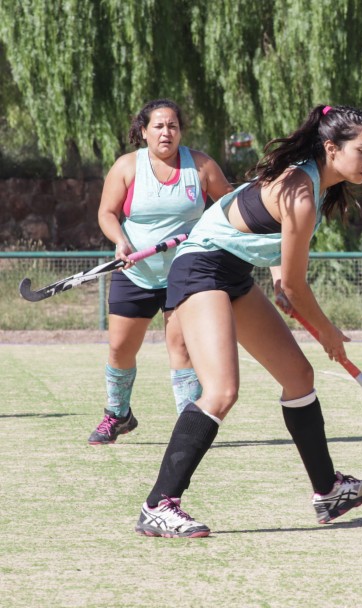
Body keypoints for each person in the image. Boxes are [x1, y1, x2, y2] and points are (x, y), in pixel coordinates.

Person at [134, 104, 362, 538]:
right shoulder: (302, 193)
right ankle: (159, 505)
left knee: (298, 375)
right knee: (221, 391)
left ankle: (328, 490)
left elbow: (276, 263)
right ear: (332, 148)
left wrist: (283, 287)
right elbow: (293, 289)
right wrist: (327, 332)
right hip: (201, 270)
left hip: (231, 273)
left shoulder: (312, 183)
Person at [91, 99, 233, 445]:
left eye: (172, 126)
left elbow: (230, 206)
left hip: (186, 274)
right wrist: (121, 242)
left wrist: (213, 235)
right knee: (120, 349)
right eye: (158, 126)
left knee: (181, 346)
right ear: (143, 131)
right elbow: (107, 213)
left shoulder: (200, 166)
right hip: (135, 272)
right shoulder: (127, 167)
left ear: (180, 131)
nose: (165, 132)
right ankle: (118, 414)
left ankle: (190, 425)